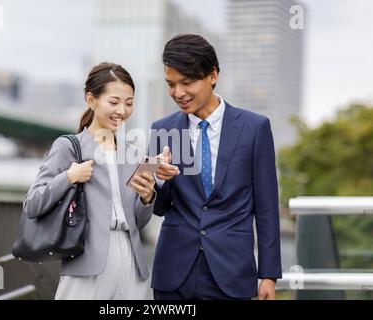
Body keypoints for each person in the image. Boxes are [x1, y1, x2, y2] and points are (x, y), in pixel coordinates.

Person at [149, 34, 282, 300]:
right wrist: (158, 182)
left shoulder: (254, 129)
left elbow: (266, 207)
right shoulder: (163, 129)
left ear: (212, 75)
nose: (178, 93)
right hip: (173, 275)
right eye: (171, 84)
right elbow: (160, 207)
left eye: (187, 82)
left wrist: (268, 275)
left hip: (231, 275)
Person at [23, 62, 156, 300]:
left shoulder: (132, 154)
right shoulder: (68, 147)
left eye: (129, 103)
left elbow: (138, 221)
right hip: (87, 261)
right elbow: (32, 204)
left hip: (131, 262)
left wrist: (147, 198)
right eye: (113, 102)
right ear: (91, 100)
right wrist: (69, 177)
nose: (122, 111)